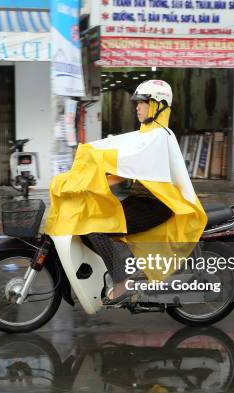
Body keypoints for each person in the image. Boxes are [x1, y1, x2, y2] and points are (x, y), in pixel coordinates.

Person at [85, 80, 176, 304]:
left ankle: (123, 283)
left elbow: (127, 170)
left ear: (158, 105)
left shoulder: (160, 135)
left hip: (157, 205)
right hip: (141, 200)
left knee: (95, 229)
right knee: (87, 223)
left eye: (143, 102)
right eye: (137, 103)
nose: (137, 107)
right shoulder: (147, 133)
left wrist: (100, 183)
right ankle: (124, 267)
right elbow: (122, 159)